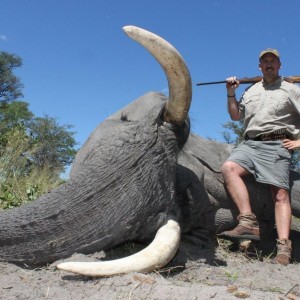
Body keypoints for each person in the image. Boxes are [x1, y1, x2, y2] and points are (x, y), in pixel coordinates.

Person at [219, 48, 300, 266]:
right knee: (229, 168)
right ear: (260, 67)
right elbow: (236, 115)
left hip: (277, 143)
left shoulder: (291, 89)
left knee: (280, 194)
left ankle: (283, 248)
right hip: (250, 143)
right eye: (265, 62)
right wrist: (230, 92)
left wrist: (299, 141)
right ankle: (248, 221)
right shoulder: (251, 90)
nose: (269, 64)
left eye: (273, 61)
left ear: (280, 65)